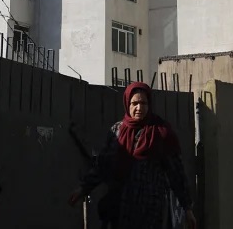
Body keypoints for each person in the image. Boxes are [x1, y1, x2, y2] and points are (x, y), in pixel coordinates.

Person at [68, 82, 197, 229]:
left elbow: (177, 174)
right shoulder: (117, 130)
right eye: (134, 103)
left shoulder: (161, 133)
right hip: (120, 208)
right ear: (127, 104)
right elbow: (102, 166)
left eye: (144, 103)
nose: (139, 108)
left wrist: (187, 209)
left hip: (150, 211)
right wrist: (83, 189)